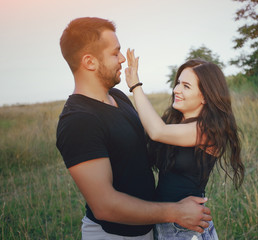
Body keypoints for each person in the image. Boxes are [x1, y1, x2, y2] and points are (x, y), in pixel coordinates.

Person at [56, 17, 212, 239]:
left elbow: (145, 151)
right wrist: (175, 212)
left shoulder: (118, 97)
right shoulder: (78, 121)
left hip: (150, 228)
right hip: (114, 235)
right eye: (114, 53)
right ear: (89, 62)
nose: (122, 59)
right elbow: (105, 206)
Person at [125, 49, 245, 239]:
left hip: (185, 229)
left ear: (205, 96)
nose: (176, 90)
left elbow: (157, 131)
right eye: (178, 83)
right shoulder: (176, 123)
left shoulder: (209, 131)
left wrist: (135, 86)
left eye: (186, 86)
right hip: (166, 220)